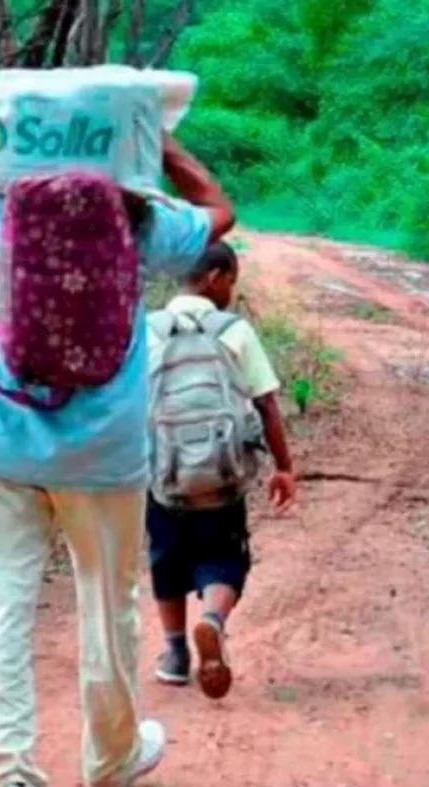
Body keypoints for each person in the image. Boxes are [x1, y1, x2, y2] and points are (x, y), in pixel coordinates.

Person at [0, 135, 235, 787]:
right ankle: (112, 759)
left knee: (2, 605)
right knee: (107, 602)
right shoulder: (144, 228)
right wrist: (165, 143)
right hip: (101, 449)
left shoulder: (6, 216)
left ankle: (13, 785)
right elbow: (220, 209)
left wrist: (17, 138)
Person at [147, 241, 297, 697]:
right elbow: (266, 403)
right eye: (231, 279)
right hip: (223, 474)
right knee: (225, 556)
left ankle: (175, 653)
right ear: (214, 276)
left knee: (165, 558)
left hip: (164, 474)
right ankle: (212, 619)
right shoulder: (235, 331)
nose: (232, 290)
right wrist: (284, 467)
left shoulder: (148, 329)